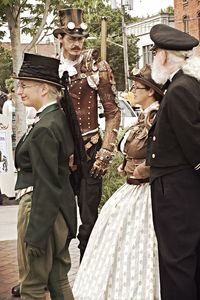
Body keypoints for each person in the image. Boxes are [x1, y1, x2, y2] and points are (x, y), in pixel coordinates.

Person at [73, 65, 163, 300]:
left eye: (137, 86)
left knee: (140, 245)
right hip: (132, 188)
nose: (133, 89)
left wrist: (145, 168)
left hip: (147, 192)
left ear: (151, 91)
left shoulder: (157, 117)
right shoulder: (143, 116)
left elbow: (161, 153)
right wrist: (126, 163)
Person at [53, 8, 121, 260]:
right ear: (60, 37)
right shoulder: (50, 69)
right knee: (57, 216)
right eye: (72, 38)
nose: (77, 44)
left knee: (89, 220)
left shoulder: (96, 68)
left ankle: (87, 277)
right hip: (61, 152)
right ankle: (50, 275)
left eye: (81, 39)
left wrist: (106, 149)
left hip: (91, 150)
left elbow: (114, 112)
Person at [13, 52, 79, 300]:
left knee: (31, 286)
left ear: (43, 89)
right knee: (58, 280)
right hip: (59, 210)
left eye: (24, 85)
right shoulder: (56, 119)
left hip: (40, 209)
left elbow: (46, 182)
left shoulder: (45, 128)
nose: (20, 91)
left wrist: (37, 234)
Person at [146, 24, 200, 300]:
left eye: (155, 53)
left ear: (165, 56)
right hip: (180, 186)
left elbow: (195, 144)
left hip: (177, 189)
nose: (154, 58)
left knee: (176, 262)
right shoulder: (184, 84)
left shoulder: (180, 88)